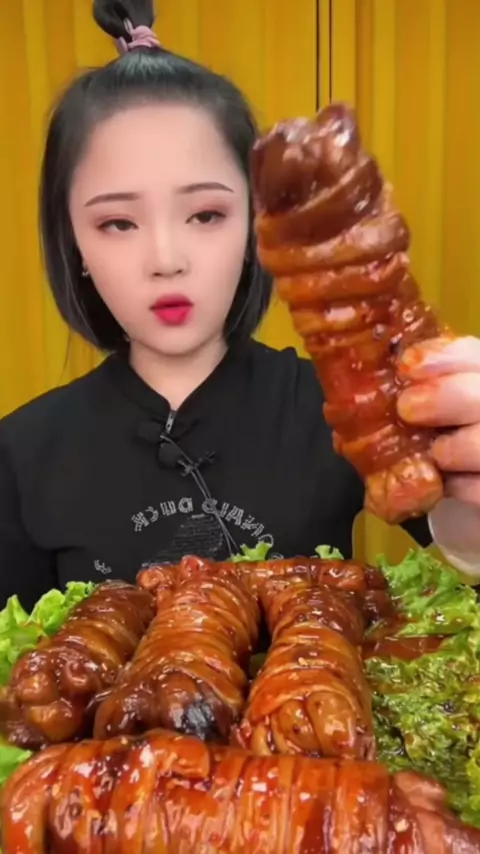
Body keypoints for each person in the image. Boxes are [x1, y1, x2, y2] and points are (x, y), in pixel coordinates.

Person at [0, 0, 479, 612]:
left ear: (255, 228)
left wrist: (470, 503)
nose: (166, 259)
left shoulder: (338, 409)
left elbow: (465, 548)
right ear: (75, 245)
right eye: (118, 223)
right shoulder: (23, 453)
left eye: (206, 215)